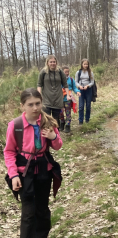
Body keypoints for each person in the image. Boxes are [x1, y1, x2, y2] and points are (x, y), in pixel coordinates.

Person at [3, 88, 63, 238]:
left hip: (44, 171)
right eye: (30, 104)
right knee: (29, 213)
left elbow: (57, 146)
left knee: (42, 210)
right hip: (24, 173)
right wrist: (13, 175)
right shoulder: (15, 125)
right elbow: (9, 151)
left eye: (38, 103)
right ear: (22, 106)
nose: (35, 108)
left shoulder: (47, 122)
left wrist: (53, 136)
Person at [37, 55, 71, 128]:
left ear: (56, 62)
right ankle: (46, 137)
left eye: (54, 62)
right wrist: (39, 96)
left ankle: (56, 136)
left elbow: (65, 84)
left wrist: (68, 95)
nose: (53, 63)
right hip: (46, 99)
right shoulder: (43, 72)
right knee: (46, 119)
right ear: (47, 63)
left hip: (58, 99)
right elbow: (39, 85)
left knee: (56, 119)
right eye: (51, 62)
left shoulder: (60, 72)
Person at [60, 66, 81, 133]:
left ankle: (68, 125)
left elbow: (74, 88)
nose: (67, 73)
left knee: (68, 112)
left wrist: (77, 91)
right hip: (60, 98)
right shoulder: (59, 80)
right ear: (62, 72)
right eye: (65, 72)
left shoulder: (71, 80)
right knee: (60, 112)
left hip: (68, 98)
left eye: (68, 71)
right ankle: (62, 123)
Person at [75, 59, 95, 124]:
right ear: (82, 64)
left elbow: (92, 82)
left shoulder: (90, 72)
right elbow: (76, 82)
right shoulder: (78, 72)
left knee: (88, 106)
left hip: (88, 90)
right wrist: (79, 86)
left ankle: (87, 119)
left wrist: (88, 86)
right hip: (81, 90)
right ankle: (80, 121)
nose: (86, 65)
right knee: (81, 106)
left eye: (87, 64)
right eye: (84, 64)